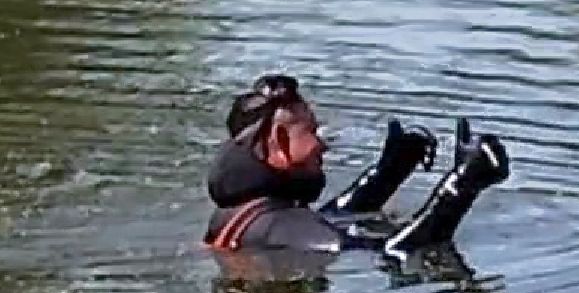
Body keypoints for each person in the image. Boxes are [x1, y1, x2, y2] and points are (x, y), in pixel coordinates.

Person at [202, 74, 511, 259]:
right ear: (280, 144)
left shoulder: (251, 217)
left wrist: (388, 172)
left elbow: (329, 219)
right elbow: (393, 250)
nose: (322, 144)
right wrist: (462, 185)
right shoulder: (282, 225)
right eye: (311, 132)